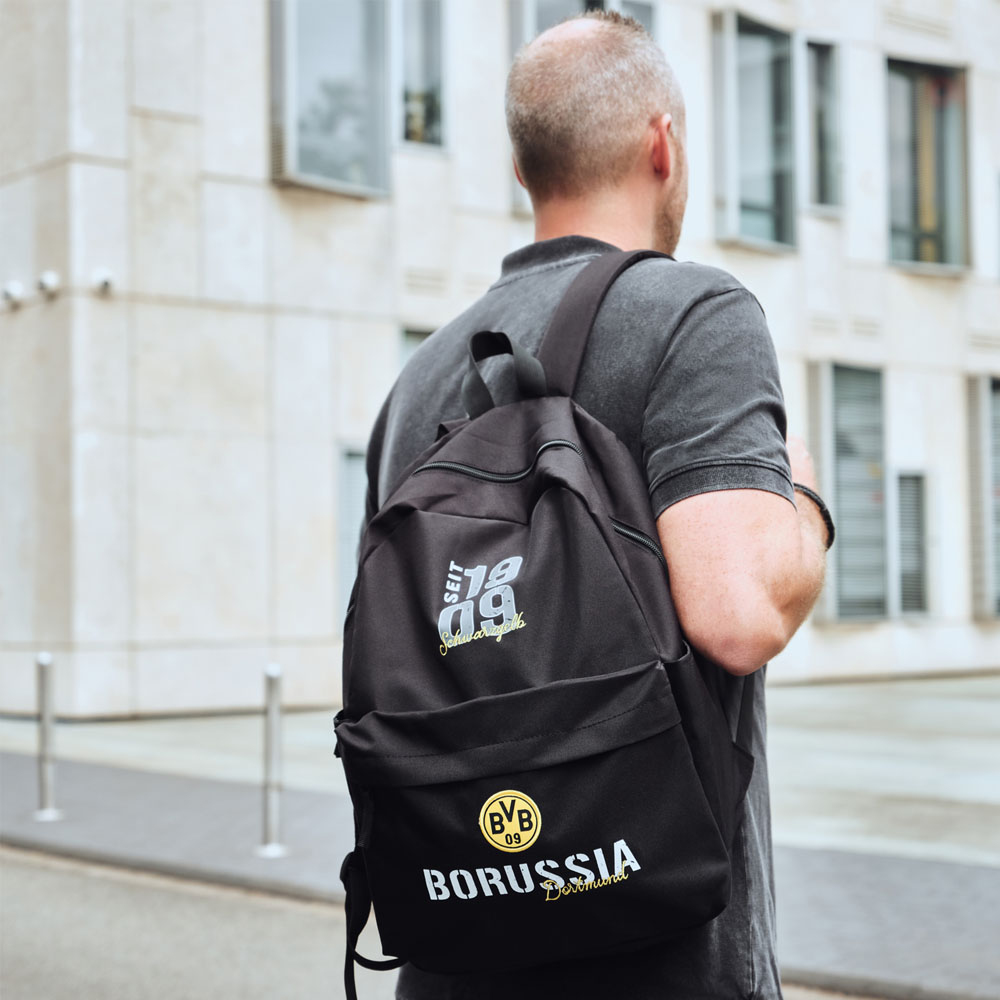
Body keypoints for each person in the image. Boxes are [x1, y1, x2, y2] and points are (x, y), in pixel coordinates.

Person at [361, 10, 830, 999]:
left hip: (455, 950)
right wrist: (806, 502)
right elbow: (738, 615)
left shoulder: (419, 379)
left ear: (523, 169)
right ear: (664, 144)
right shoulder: (692, 312)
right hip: (659, 960)